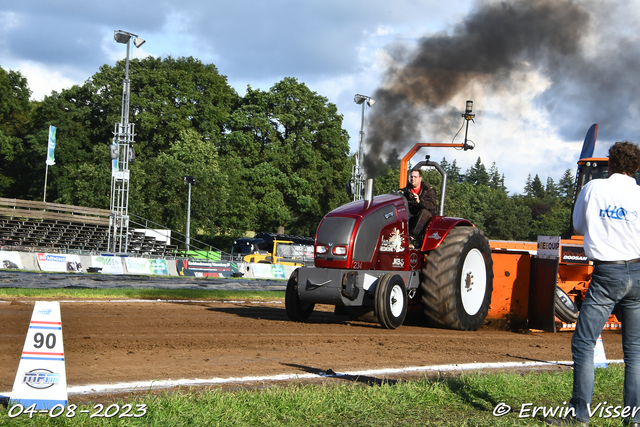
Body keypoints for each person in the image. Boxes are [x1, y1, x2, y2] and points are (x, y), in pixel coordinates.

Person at [546, 141, 640, 427]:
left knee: (584, 343)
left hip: (606, 274)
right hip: (636, 274)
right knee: (634, 350)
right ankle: (634, 419)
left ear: (610, 164)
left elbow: (577, 226)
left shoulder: (594, 188)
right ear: (636, 168)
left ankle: (580, 416)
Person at [402, 169, 437, 239]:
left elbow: (432, 205)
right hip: (411, 214)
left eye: (415, 177)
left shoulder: (429, 190)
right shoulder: (406, 190)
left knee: (424, 212)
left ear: (420, 178)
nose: (413, 179)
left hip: (426, 218)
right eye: (411, 177)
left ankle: (412, 237)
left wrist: (420, 201)